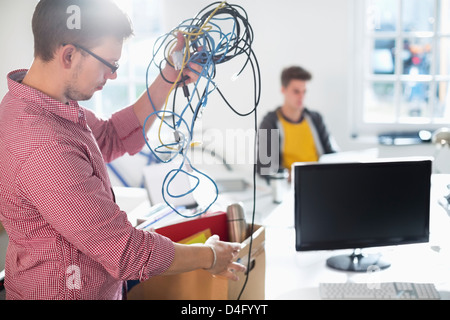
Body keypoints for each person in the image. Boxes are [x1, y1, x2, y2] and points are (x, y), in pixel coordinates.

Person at [0, 0, 245, 300]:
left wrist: (169, 74)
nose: (113, 75)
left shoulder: (42, 103)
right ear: (69, 55)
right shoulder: (44, 145)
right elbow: (125, 252)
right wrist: (210, 256)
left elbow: (113, 135)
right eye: (109, 64)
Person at [257, 66, 338, 180]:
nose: (301, 97)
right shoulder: (270, 122)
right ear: (283, 90)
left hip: (320, 180)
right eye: (296, 91)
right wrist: (296, 176)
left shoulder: (316, 119)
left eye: (304, 91)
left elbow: (332, 155)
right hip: (289, 185)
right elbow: (264, 168)